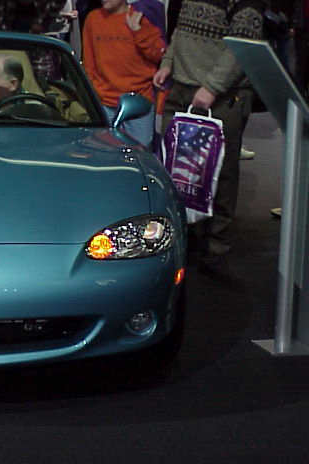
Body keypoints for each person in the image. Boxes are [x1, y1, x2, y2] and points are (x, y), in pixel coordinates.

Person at [153, 0, 266, 281]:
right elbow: (180, 29)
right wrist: (168, 63)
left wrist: (212, 87)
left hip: (221, 97)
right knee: (177, 170)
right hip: (182, 89)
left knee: (221, 173)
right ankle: (186, 237)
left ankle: (216, 247)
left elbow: (241, 47)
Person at [82, 0, 166, 146]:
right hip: (103, 102)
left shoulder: (141, 17)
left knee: (139, 151)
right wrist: (93, 93)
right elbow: (89, 63)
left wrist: (138, 31)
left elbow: (158, 55)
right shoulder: (93, 19)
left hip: (138, 100)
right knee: (104, 151)